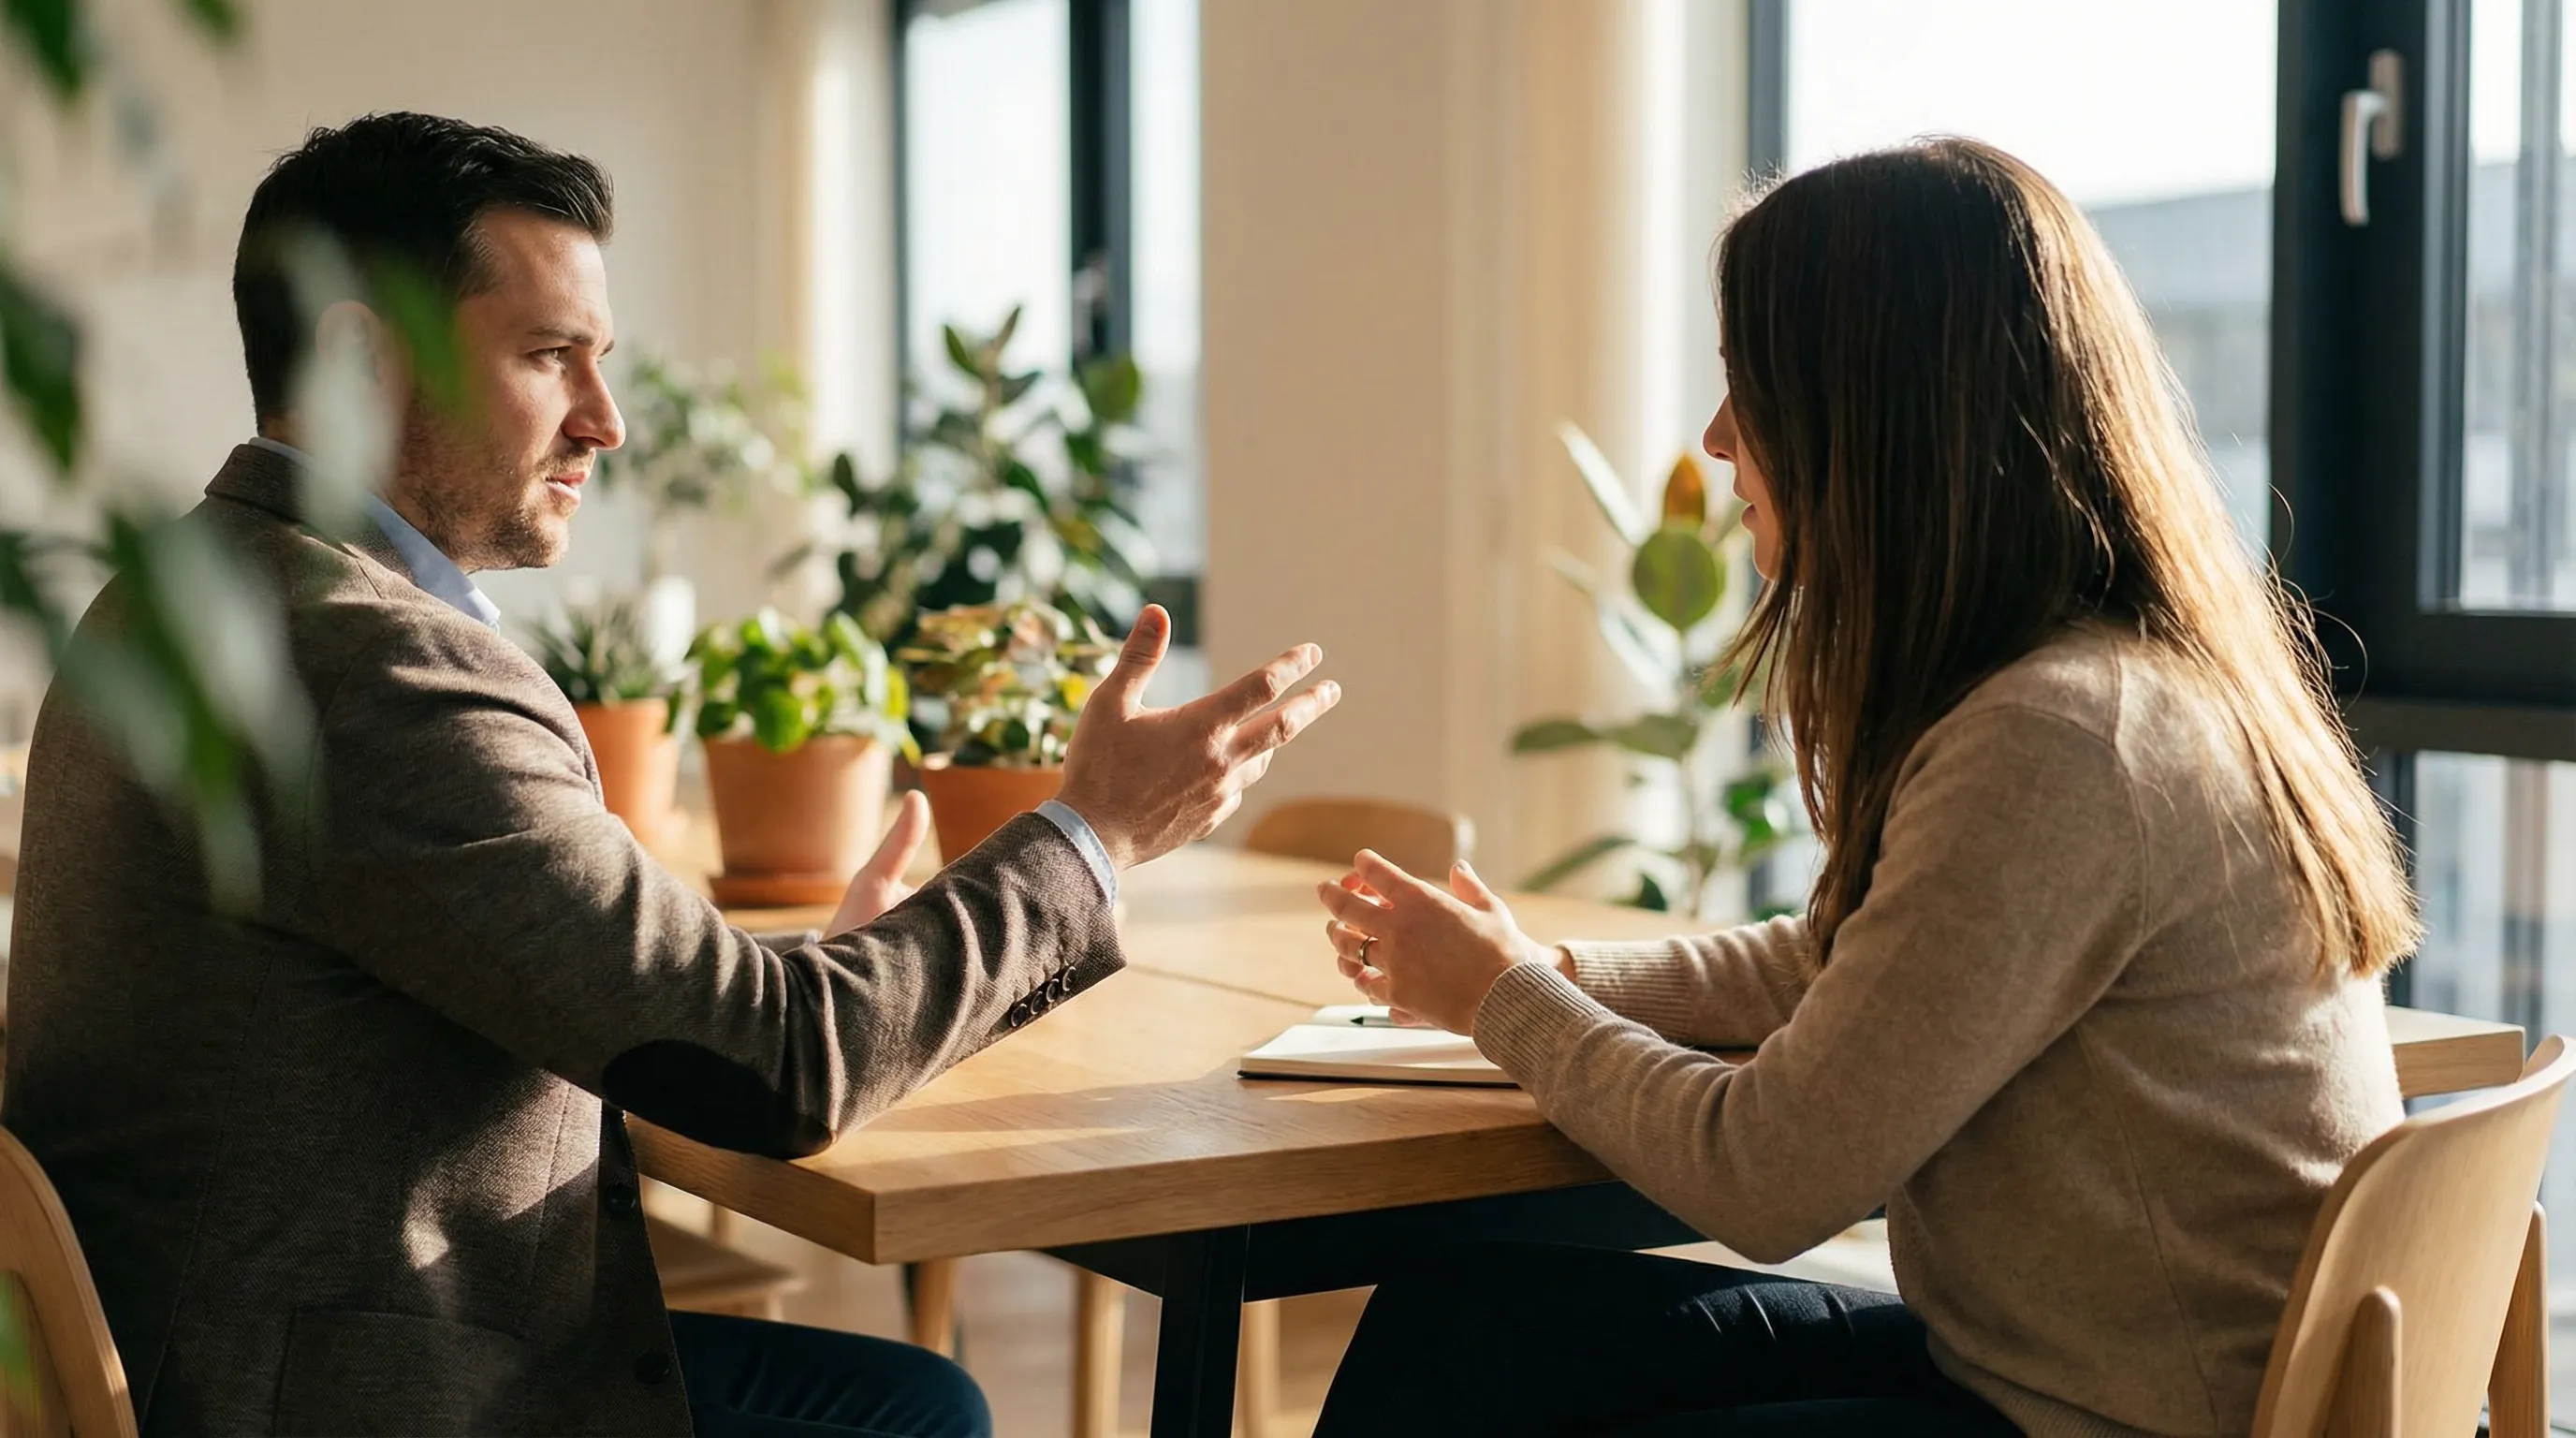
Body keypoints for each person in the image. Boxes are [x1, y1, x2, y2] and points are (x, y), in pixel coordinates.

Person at [4, 112, 1339, 1438]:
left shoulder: (188, 588)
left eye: (602, 361)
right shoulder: (373, 666)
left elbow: (602, 988)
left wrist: (815, 977)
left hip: (233, 1339)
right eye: (550, 356)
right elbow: (776, 1070)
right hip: (350, 1392)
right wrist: (1094, 831)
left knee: (919, 1399)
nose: (610, 421)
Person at [1308, 138, 2420, 1438]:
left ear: (1876, 417)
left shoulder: (2062, 738)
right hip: (2070, 1375)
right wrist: (1544, 969)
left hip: (2119, 1420)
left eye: (1750, 388)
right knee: (1463, 1327)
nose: (1717, 439)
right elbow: (1857, 966)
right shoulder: (2116, 680)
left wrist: (1505, 1000)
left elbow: (1768, 1176)